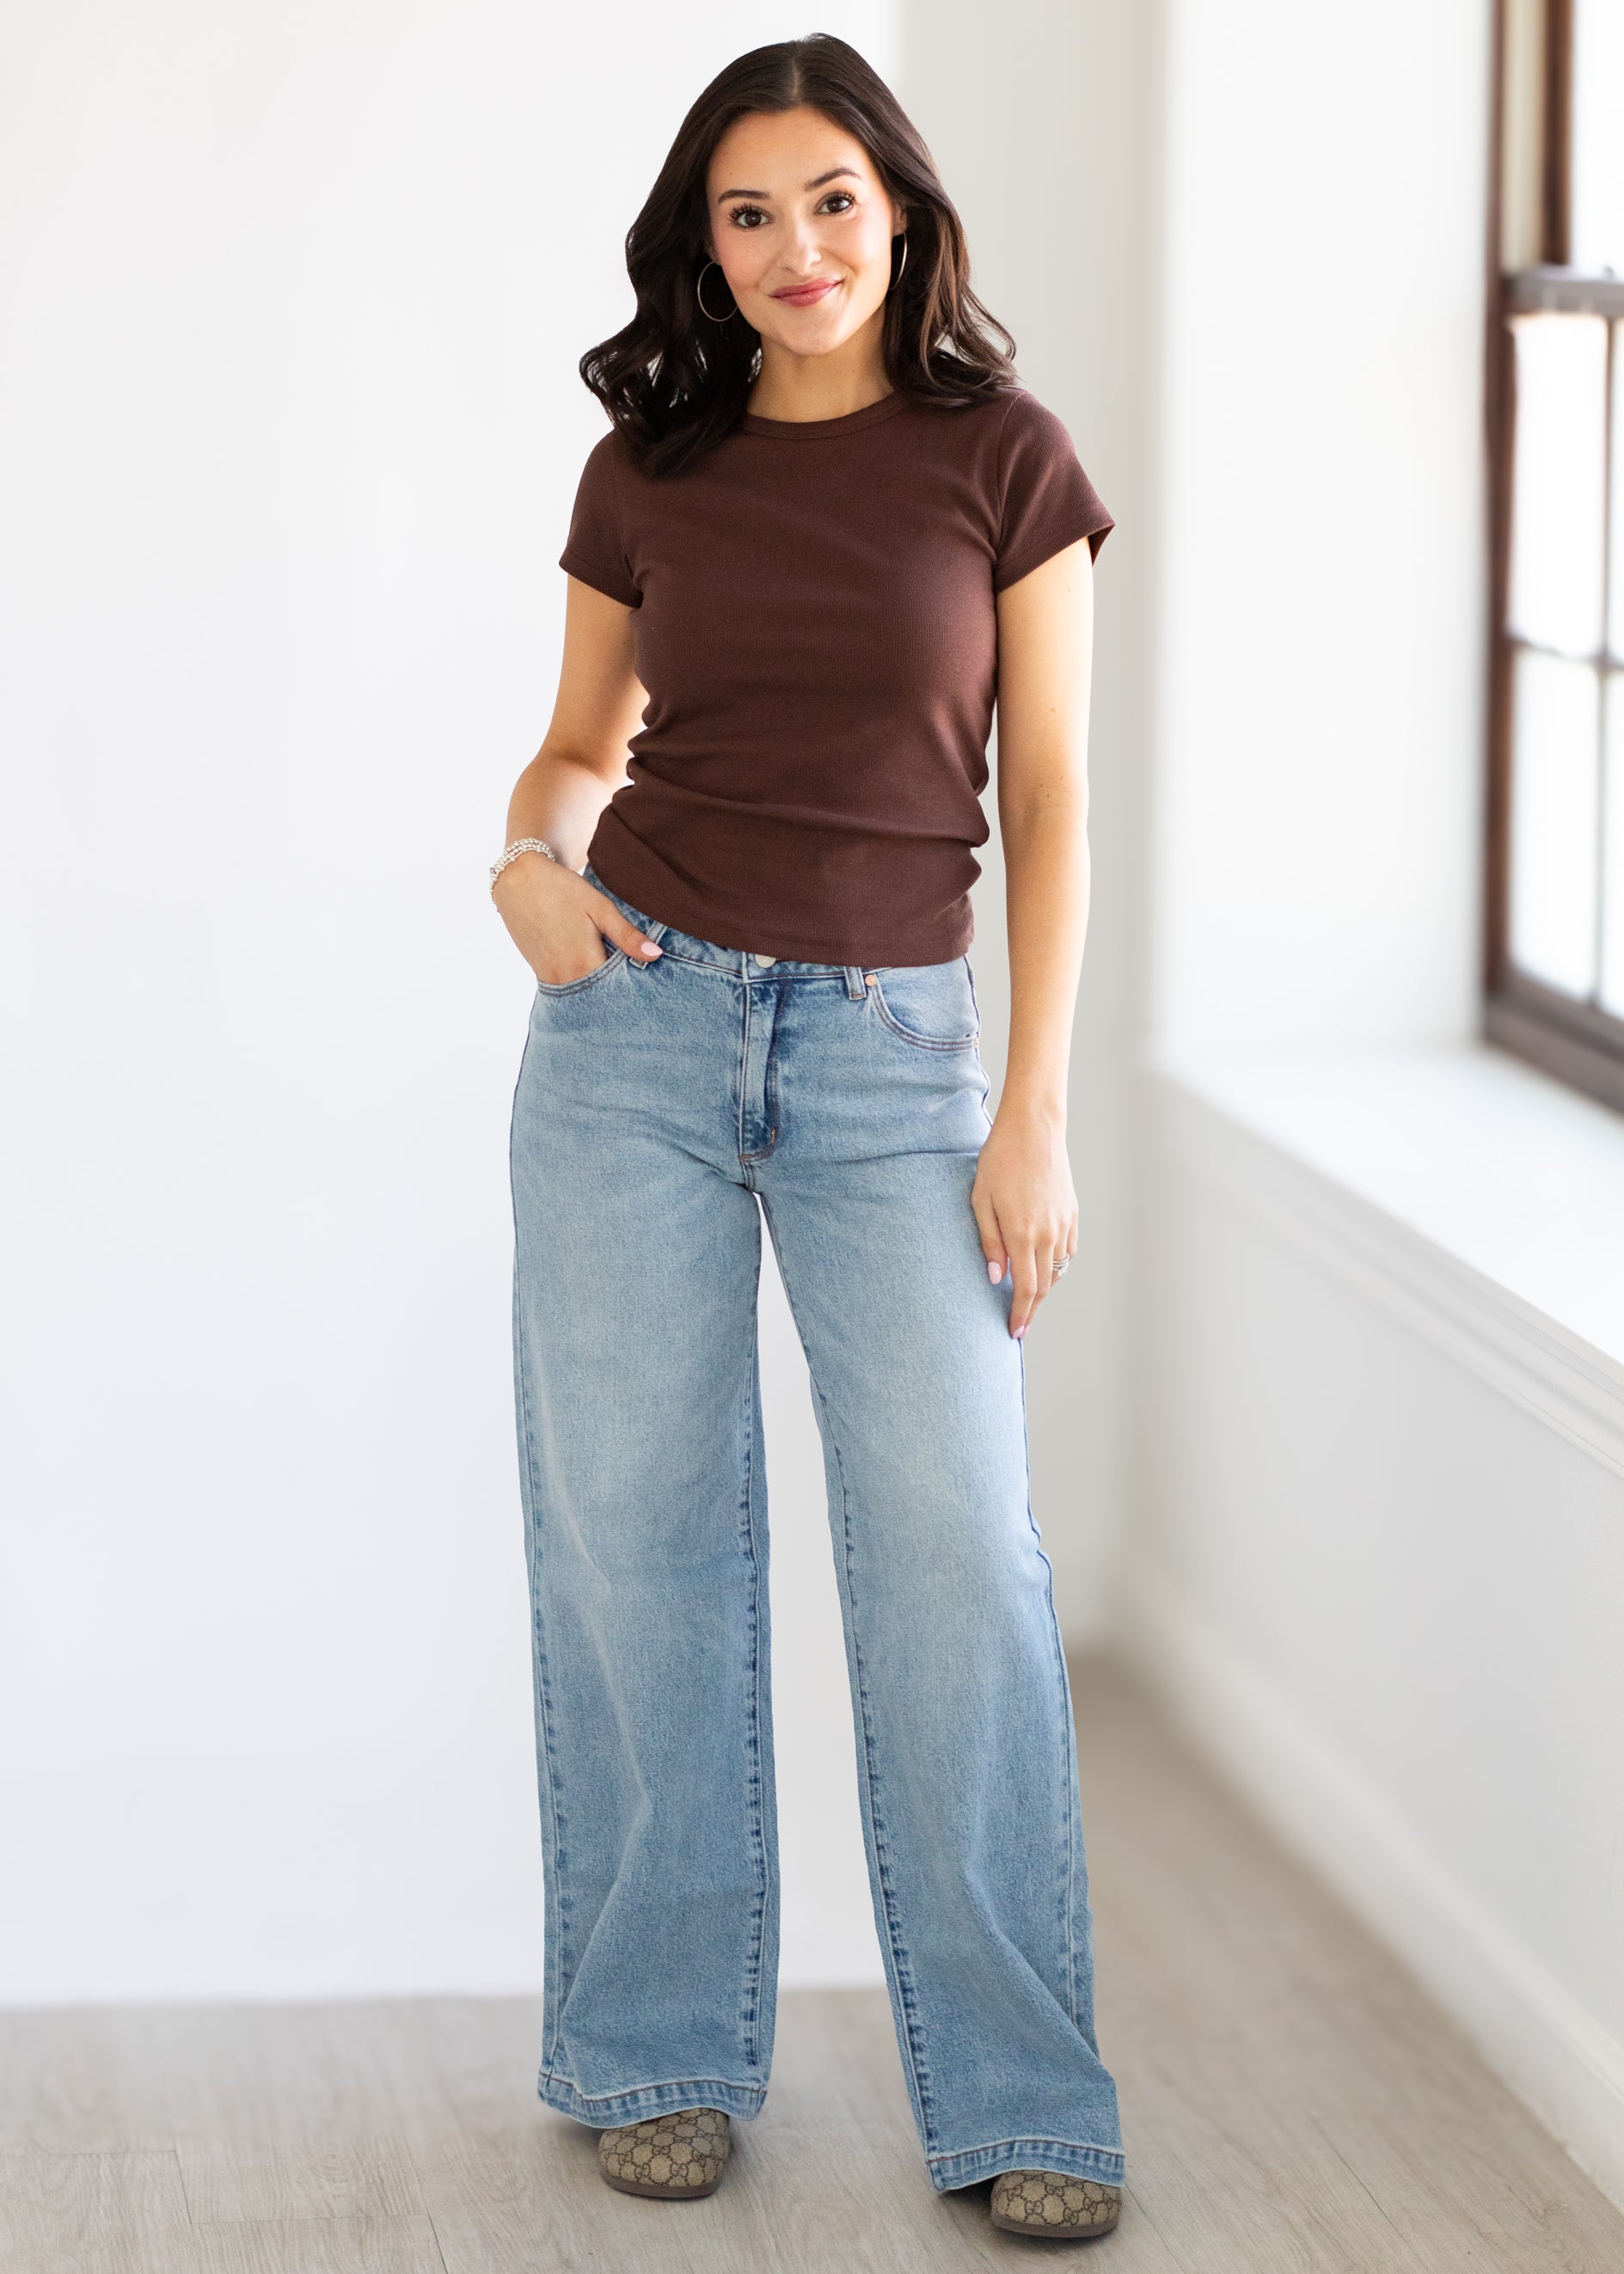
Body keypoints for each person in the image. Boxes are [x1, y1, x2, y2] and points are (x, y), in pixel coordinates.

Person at [491, 33, 1124, 2246]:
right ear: (704, 239)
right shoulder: (647, 462)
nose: (793, 251)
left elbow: (1042, 801)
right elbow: (581, 749)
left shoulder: (1005, 460)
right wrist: (528, 868)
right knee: (636, 1554)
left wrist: (1027, 1110)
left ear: (906, 213)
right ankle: (655, 2053)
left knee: (962, 1563)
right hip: (632, 1038)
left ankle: (1027, 2091)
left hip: (892, 1062)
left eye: (831, 203)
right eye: (747, 213)